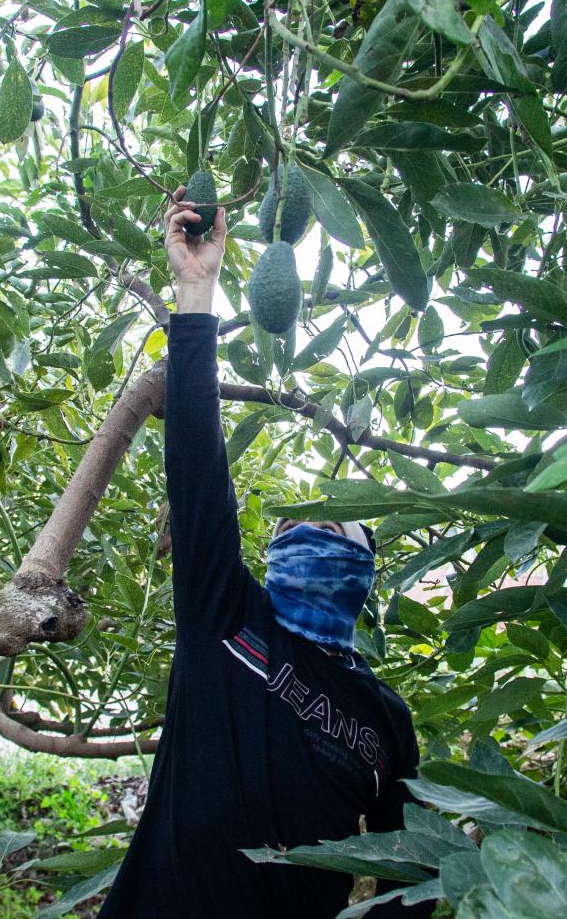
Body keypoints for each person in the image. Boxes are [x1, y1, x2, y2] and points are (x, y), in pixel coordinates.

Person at [95, 190, 430, 918]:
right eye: (290, 526)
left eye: (334, 523)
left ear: (365, 571)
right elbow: (196, 476)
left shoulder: (384, 719)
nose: (307, 527)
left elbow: (412, 871)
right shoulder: (228, 619)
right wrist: (194, 290)